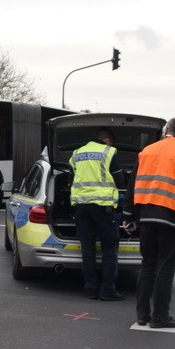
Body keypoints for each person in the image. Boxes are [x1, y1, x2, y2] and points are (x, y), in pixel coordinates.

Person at [125, 117, 175, 328]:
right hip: (172, 218)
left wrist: (128, 215)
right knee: (165, 269)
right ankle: (160, 316)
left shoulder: (147, 151)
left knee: (147, 265)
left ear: (166, 130)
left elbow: (132, 184)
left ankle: (142, 315)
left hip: (146, 216)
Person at [69, 127, 125, 301]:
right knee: (109, 247)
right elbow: (119, 180)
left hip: (80, 206)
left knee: (88, 248)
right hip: (102, 205)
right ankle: (107, 289)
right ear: (108, 140)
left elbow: (73, 175)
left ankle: (91, 289)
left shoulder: (77, 152)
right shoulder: (109, 152)